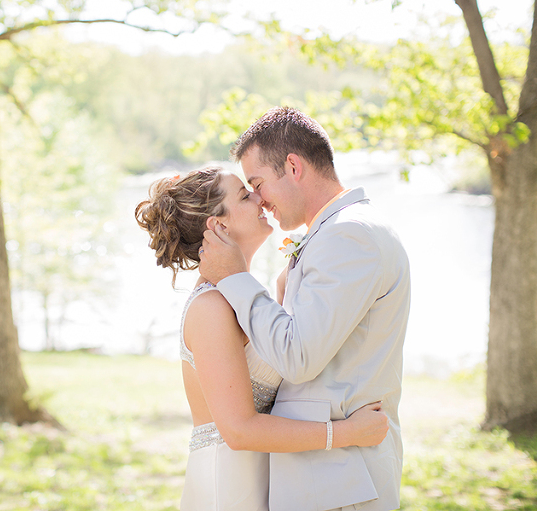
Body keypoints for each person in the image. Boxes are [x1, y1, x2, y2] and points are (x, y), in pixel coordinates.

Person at [135, 165, 390, 511]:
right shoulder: (212, 308)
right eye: (244, 194)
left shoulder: (241, 298)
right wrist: (347, 433)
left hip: (263, 479)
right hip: (228, 485)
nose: (259, 197)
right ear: (219, 226)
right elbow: (239, 430)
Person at [199, 107, 411, 511]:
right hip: (327, 478)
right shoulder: (340, 231)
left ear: (293, 166)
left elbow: (298, 358)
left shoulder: (349, 235)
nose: (258, 199)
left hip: (340, 482)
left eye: (258, 183)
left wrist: (235, 278)